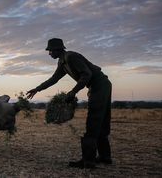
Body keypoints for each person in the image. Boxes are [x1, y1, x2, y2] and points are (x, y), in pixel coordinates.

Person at [26, 38, 112, 169]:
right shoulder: (62, 62)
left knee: (93, 122)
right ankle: (105, 157)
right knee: (101, 122)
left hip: (99, 86)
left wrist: (73, 91)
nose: (49, 53)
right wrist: (37, 89)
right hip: (100, 86)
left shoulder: (70, 57)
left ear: (58, 49)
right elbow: (54, 79)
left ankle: (88, 161)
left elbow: (87, 74)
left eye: (50, 50)